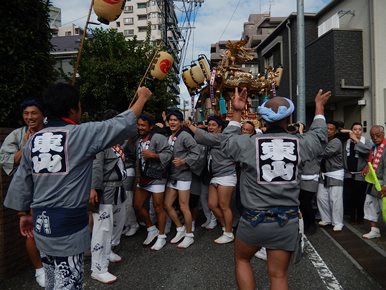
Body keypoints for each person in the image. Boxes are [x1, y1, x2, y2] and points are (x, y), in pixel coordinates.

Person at [3, 83, 152, 289]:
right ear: (73, 109)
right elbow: (120, 123)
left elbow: (23, 179)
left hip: (40, 222)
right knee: (69, 283)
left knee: (52, 279)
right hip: (67, 225)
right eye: (79, 106)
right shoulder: (81, 133)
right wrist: (142, 98)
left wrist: (23, 214)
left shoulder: (34, 140)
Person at [217, 87, 330, 290]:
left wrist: (236, 112)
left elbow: (226, 142)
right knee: (278, 276)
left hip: (253, 219)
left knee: (242, 260)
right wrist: (319, 107)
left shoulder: (247, 143)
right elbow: (320, 136)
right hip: (286, 220)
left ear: (264, 120)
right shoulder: (300, 143)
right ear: (289, 118)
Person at [0, 99, 46, 287]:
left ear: (43, 114)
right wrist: (25, 146)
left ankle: (52, 264)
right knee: (31, 232)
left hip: (50, 190)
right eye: (26, 114)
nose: (29, 117)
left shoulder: (52, 132)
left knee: (49, 229)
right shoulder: (17, 134)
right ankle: (39, 270)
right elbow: (8, 161)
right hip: (28, 192)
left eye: (33, 113)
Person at [89, 109, 129, 284]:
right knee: (102, 228)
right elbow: (96, 167)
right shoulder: (100, 142)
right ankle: (98, 268)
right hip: (105, 189)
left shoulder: (116, 141)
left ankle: (108, 251)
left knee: (116, 223)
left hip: (118, 188)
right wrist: (93, 188)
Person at [186, 115, 237, 244]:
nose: (210, 127)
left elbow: (205, 137)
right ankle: (226, 227)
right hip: (215, 176)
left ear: (220, 128)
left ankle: (229, 233)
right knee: (212, 205)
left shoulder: (222, 137)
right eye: (209, 125)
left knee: (224, 206)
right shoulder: (210, 141)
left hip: (226, 175)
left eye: (214, 125)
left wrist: (190, 125)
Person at [133, 113, 172, 250]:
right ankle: (151, 228)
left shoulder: (158, 138)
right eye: (138, 125)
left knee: (158, 207)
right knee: (137, 205)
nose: (140, 127)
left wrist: (154, 155)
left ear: (151, 126)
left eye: (143, 125)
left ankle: (161, 236)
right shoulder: (138, 140)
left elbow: (169, 154)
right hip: (143, 177)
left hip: (156, 177)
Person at [164, 110, 200, 249]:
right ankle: (180, 229)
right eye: (170, 120)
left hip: (184, 175)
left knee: (184, 206)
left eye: (175, 120)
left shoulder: (184, 135)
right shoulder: (170, 135)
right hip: (172, 175)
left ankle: (189, 235)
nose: (172, 122)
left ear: (180, 122)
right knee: (167, 205)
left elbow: (196, 152)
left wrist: (184, 161)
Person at [317, 121, 345, 232]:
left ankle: (338, 222)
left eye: (331, 129)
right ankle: (326, 218)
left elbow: (325, 153)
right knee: (321, 197)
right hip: (323, 173)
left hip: (335, 172)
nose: (328, 131)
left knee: (335, 199)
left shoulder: (336, 141)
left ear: (335, 131)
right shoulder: (323, 140)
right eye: (327, 128)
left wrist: (314, 148)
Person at [341, 123, 372, 223]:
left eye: (359, 129)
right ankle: (351, 216)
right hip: (348, 173)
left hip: (360, 174)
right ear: (351, 131)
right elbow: (339, 131)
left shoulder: (366, 141)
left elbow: (367, 151)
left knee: (360, 196)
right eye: (354, 129)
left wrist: (356, 140)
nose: (357, 131)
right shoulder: (347, 142)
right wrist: (349, 134)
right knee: (349, 196)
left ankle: (360, 216)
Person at [362, 125, 386, 239]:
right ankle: (374, 230)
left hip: (383, 182)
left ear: (383, 134)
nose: (375, 138)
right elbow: (370, 162)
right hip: (372, 182)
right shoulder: (373, 147)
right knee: (370, 205)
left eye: (378, 135)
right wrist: (367, 167)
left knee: (384, 208)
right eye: (372, 136)